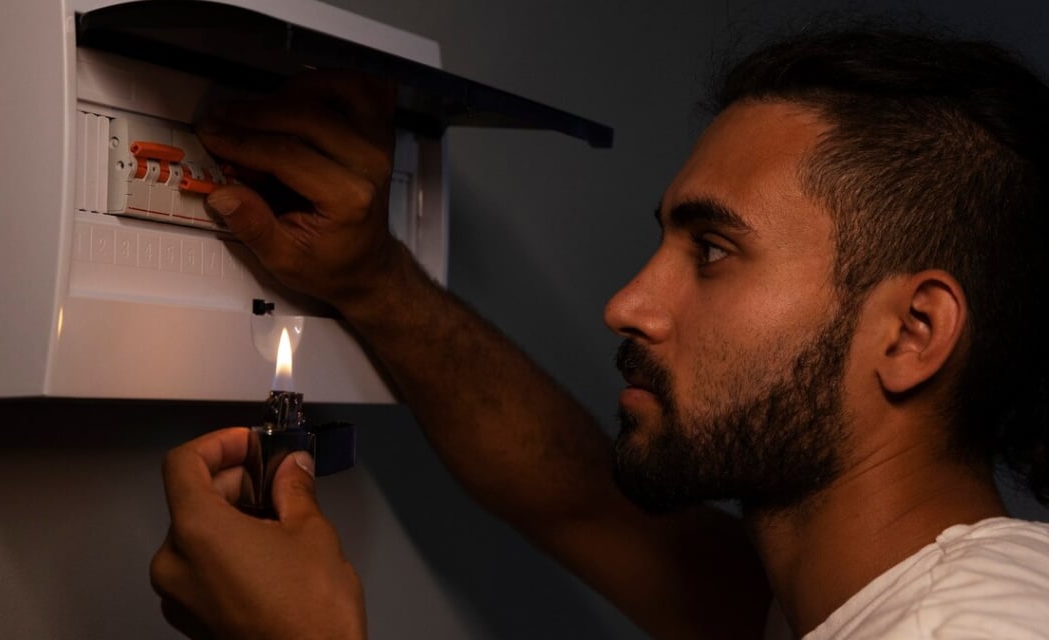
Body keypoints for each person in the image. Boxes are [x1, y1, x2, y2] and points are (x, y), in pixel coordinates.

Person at [148, 24, 1049, 639]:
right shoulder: (832, 594)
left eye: (714, 251)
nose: (628, 303)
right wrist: (371, 278)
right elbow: (579, 502)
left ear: (912, 332)